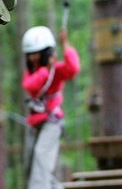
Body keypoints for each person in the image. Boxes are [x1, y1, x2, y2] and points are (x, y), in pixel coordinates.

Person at [21, 26, 80, 189]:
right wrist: (45, 70)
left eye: (36, 54)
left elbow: (73, 68)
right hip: (36, 123)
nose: (32, 58)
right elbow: (30, 85)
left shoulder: (57, 70)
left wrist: (65, 44)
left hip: (51, 122)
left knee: (41, 156)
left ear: (46, 53)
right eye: (30, 54)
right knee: (36, 165)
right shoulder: (33, 72)